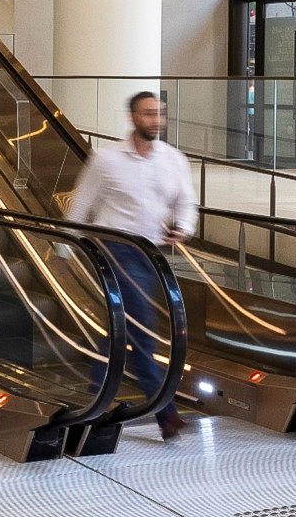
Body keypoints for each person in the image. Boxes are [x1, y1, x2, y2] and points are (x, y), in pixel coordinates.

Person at [68, 90, 197, 440]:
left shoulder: (173, 159)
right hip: (117, 252)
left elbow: (187, 202)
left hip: (153, 255)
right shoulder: (107, 159)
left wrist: (183, 227)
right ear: (133, 118)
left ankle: (92, 405)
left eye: (160, 113)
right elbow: (81, 203)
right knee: (143, 330)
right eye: (148, 114)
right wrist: (64, 250)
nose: (156, 120)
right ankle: (166, 415)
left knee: (115, 334)